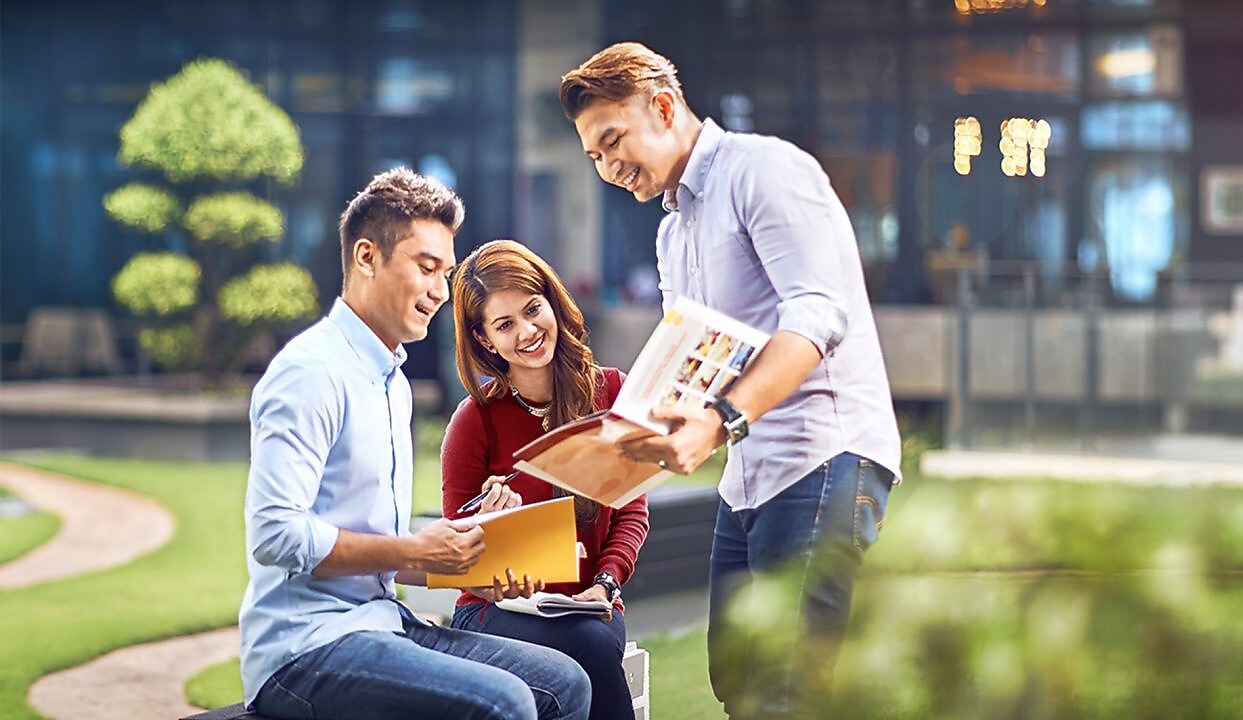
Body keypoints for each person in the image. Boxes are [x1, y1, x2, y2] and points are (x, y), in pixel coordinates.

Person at [560, 43, 902, 719]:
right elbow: (688, 363)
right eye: (594, 156)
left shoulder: (764, 171)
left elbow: (817, 313)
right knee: (736, 679)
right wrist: (618, 449)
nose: (607, 167)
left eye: (613, 140)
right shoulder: (672, 234)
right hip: (749, 478)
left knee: (784, 690)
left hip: (824, 456)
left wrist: (718, 421)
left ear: (662, 106)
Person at [239, 169, 591, 720]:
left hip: (383, 622)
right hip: (303, 649)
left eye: (445, 273)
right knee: (508, 703)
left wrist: (477, 564)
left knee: (564, 683)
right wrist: (416, 549)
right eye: (426, 268)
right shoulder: (311, 373)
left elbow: (379, 557)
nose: (439, 292)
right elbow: (275, 534)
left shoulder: (392, 382)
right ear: (366, 257)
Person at [441, 239, 650, 720]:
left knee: (593, 639)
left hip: (589, 604)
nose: (528, 331)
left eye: (533, 309)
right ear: (485, 340)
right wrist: (490, 526)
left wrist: (605, 582)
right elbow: (454, 551)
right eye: (505, 324)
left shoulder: (612, 394)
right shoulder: (474, 421)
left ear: (552, 302)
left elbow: (632, 510)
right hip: (494, 611)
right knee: (591, 649)